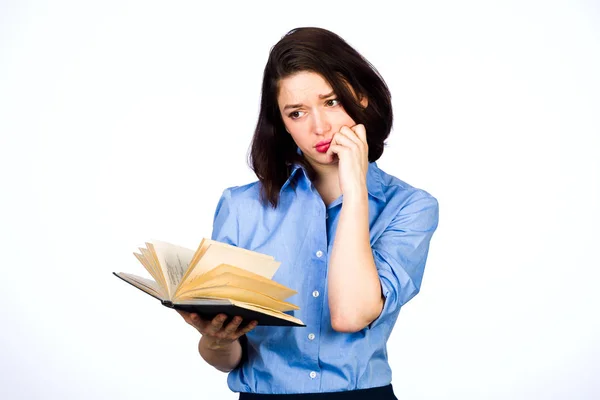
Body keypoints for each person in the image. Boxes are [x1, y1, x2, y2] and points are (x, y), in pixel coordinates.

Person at [177, 27, 439, 399]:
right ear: (283, 124)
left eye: (331, 102)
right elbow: (229, 359)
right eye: (297, 113)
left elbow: (350, 315)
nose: (320, 127)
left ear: (361, 97)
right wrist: (216, 339)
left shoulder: (410, 207)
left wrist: (355, 192)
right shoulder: (241, 208)